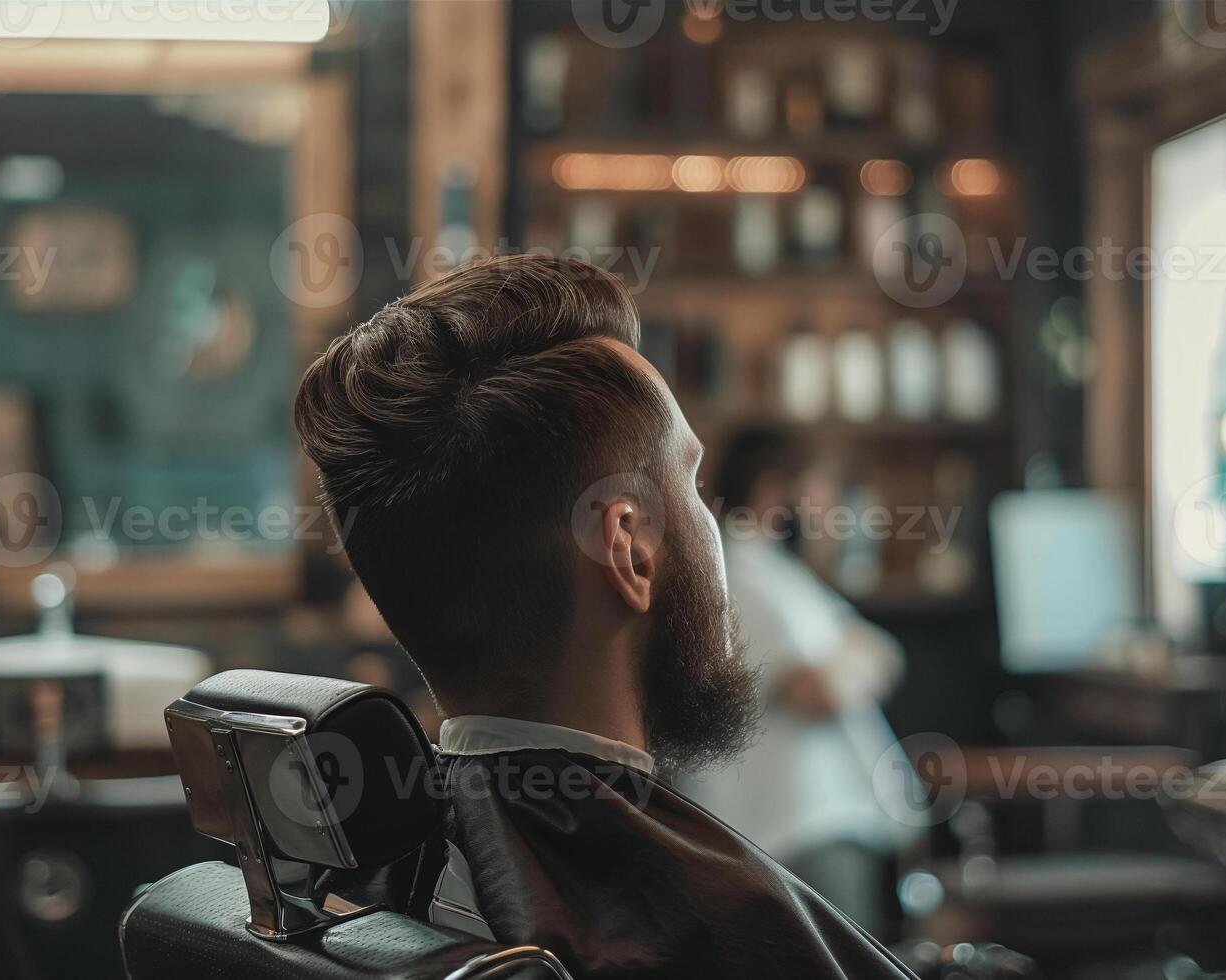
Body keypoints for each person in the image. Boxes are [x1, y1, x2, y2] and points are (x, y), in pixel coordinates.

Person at [293, 254, 916, 978]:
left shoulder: (376, 884)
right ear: (628, 548)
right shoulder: (728, 939)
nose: (717, 527)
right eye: (694, 480)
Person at [672, 426, 918, 937]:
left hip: (817, 827)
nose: (830, 506)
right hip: (802, 830)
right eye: (820, 487)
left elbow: (879, 651)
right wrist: (848, 662)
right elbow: (818, 690)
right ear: (773, 489)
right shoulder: (743, 571)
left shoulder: (780, 575)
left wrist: (851, 660)